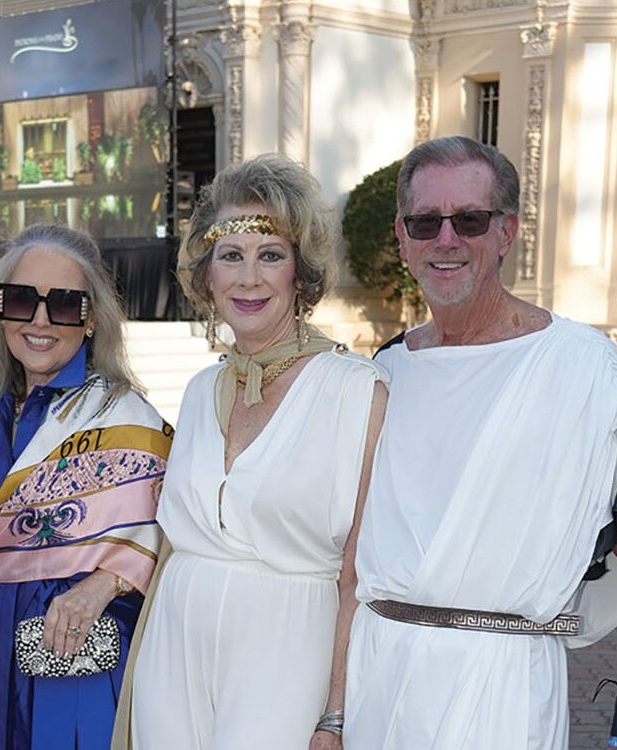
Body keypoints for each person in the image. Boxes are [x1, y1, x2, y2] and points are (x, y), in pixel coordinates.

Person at [345, 135, 617, 750]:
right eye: (425, 222)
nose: (446, 240)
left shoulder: (582, 367)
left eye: (469, 219)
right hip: (377, 678)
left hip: (503, 689)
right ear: (401, 238)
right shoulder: (386, 371)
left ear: (506, 232)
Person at [122, 153, 389, 749]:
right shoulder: (197, 392)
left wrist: (336, 712)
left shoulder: (357, 393)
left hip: (288, 655)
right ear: (206, 274)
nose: (249, 278)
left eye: (270, 255)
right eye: (231, 256)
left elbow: (360, 572)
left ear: (301, 272)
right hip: (175, 651)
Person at [0, 224, 173, 749]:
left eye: (65, 305)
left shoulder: (124, 418)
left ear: (91, 319)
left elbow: (175, 531)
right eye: (22, 300)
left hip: (73, 650)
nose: (40, 321)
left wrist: (101, 585)